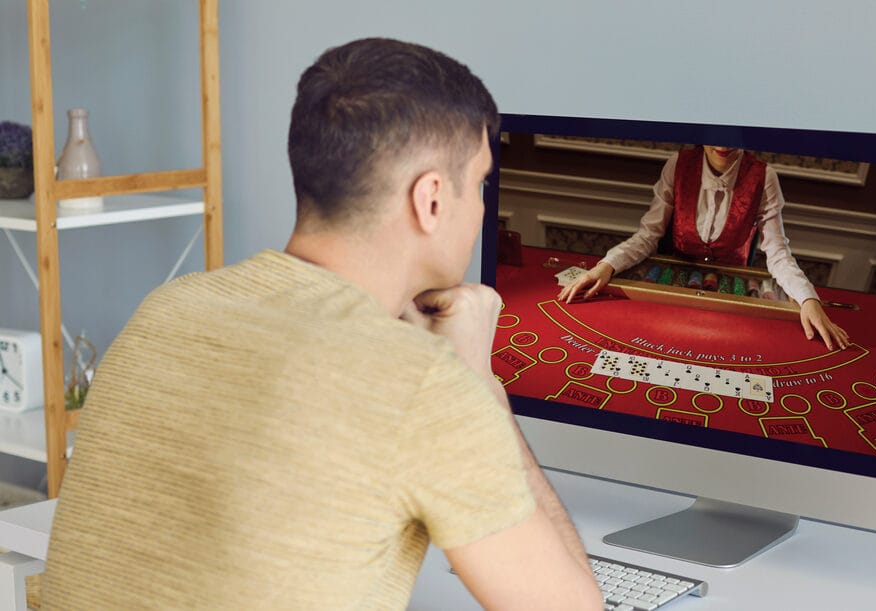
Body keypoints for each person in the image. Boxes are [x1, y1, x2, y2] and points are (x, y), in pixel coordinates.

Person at [42, 38, 602, 610]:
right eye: (481, 184)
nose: (483, 209)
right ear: (431, 199)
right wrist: (480, 386)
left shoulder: (166, 310)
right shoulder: (421, 384)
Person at [558, 145, 850, 351]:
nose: (724, 144)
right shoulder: (678, 163)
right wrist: (605, 266)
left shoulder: (764, 176)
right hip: (675, 286)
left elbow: (777, 252)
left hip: (733, 295)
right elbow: (648, 235)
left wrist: (808, 299)